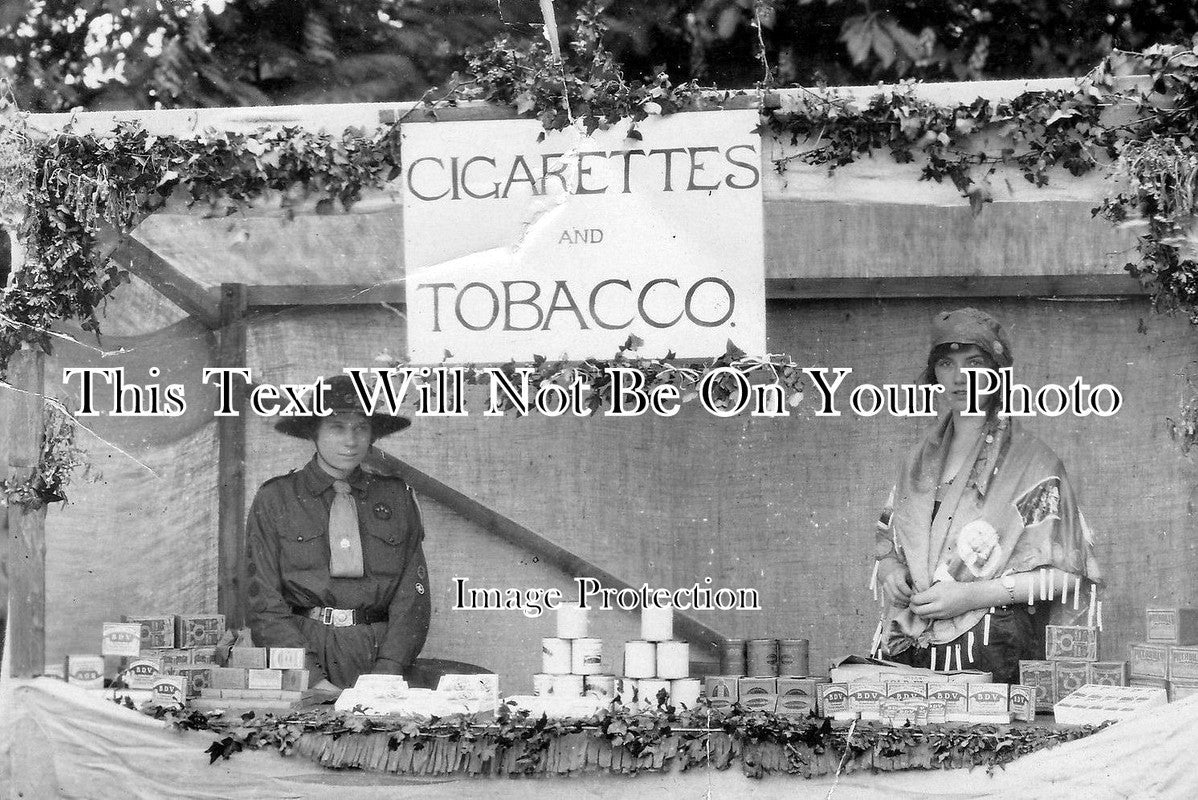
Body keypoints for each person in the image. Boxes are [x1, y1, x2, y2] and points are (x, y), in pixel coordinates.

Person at [873, 308, 1102, 683]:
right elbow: (887, 544)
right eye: (947, 363)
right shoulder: (917, 461)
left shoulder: (1031, 464)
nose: (959, 377)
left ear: (997, 372)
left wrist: (972, 595)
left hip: (990, 650)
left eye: (974, 362)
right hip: (909, 647)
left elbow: (1069, 574)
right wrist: (892, 572)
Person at [245, 375, 430, 691]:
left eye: (361, 428)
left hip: (378, 652)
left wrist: (389, 668)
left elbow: (413, 597)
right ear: (312, 433)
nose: (351, 440)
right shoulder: (276, 498)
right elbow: (263, 599)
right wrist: (309, 677)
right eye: (336, 427)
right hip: (304, 647)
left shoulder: (396, 497)